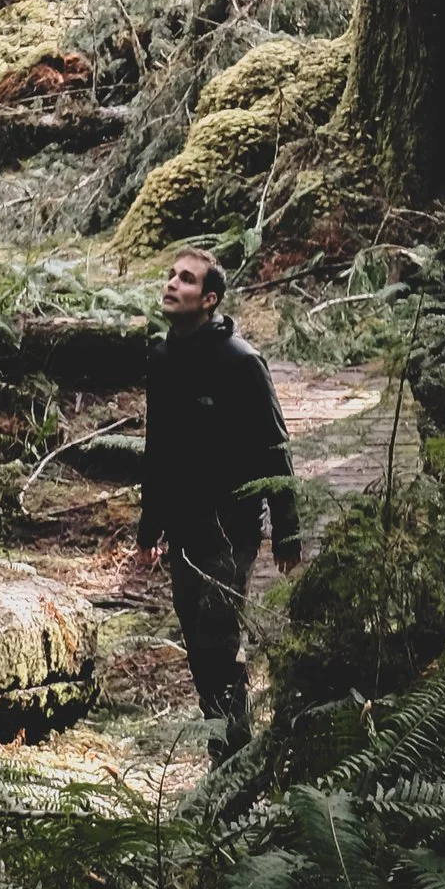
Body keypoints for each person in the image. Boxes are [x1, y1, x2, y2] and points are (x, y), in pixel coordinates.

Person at [138, 246, 301, 755]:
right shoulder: (163, 357)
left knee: (220, 646)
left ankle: (232, 766)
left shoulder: (242, 362)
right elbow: (158, 447)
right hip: (183, 533)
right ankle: (226, 753)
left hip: (230, 532)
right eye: (170, 275)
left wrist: (288, 528)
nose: (171, 283)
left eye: (185, 279)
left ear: (209, 299)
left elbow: (275, 446)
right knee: (199, 652)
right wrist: (149, 530)